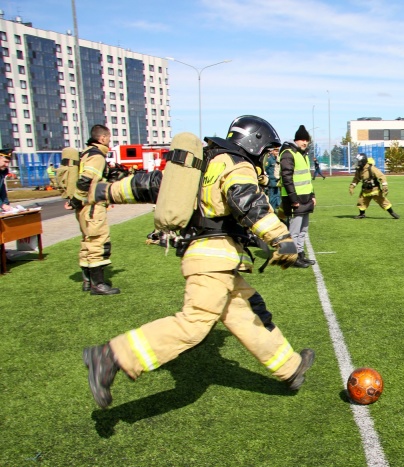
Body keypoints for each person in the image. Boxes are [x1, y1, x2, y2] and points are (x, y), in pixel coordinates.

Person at [81, 115, 315, 410]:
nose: (266, 157)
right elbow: (245, 199)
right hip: (213, 257)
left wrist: (105, 191)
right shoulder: (235, 164)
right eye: (266, 149)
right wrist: (280, 237)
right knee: (195, 323)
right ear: (253, 142)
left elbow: (150, 184)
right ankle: (111, 357)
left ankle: (290, 368)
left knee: (249, 313)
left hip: (212, 258)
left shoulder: (200, 165)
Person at [71, 125, 119, 295]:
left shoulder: (85, 153)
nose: (110, 141)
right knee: (98, 242)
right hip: (92, 206)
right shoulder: (97, 156)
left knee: (87, 242)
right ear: (103, 138)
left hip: (84, 207)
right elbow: (86, 180)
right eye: (109, 138)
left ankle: (87, 281)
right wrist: (78, 199)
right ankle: (98, 284)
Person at [280, 125, 316, 268]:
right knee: (294, 231)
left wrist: (312, 195)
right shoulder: (289, 154)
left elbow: (307, 178)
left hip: (306, 198)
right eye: (302, 140)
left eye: (306, 140)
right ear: (296, 140)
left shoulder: (304, 154)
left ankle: (300, 254)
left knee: (303, 230)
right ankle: (292, 258)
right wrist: (293, 199)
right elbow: (287, 178)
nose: (305, 142)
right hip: (295, 200)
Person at [349, 153, 400, 220]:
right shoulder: (359, 170)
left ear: (363, 161)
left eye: (359, 161)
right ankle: (362, 214)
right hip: (365, 190)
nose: (358, 163)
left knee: (383, 201)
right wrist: (352, 186)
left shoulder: (371, 168)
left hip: (375, 190)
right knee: (361, 201)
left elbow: (381, 176)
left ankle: (392, 213)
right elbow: (356, 178)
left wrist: (384, 186)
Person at [263, 146, 282, 213]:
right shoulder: (270, 159)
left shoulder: (277, 159)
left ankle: (275, 210)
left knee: (278, 196)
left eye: (278, 151)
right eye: (276, 151)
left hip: (277, 181)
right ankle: (271, 210)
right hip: (272, 181)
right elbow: (266, 169)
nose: (277, 152)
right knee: (272, 197)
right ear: (273, 151)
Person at [0, 147, 13, 212]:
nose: (7, 165)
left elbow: (2, 189)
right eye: (5, 162)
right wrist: (2, 205)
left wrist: (6, 203)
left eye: (8, 162)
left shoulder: (2, 172)